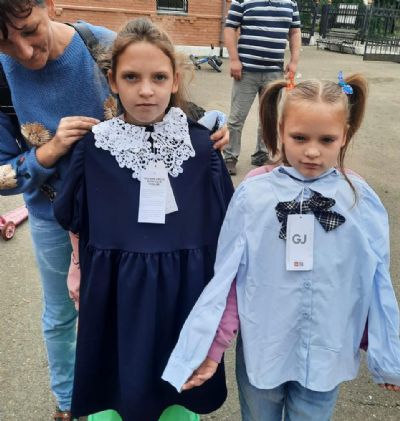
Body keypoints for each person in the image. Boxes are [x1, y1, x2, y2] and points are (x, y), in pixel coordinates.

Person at [0, 2, 229, 420]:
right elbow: (5, 174)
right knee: (63, 316)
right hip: (68, 214)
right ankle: (68, 403)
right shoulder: (3, 78)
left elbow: (167, 89)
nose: (25, 50)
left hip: (156, 242)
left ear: (46, 6)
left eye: (29, 30)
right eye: (4, 42)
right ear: (114, 81)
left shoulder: (103, 44)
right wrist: (51, 151)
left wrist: (210, 126)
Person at [162, 74, 400, 420]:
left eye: (327, 139)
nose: (312, 151)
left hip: (327, 354)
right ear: (280, 131)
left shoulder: (358, 199)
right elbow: (228, 277)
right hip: (264, 351)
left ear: (345, 135)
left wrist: (383, 351)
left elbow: (374, 279)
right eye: (300, 137)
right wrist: (212, 348)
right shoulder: (255, 194)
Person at [223, 0, 301, 175]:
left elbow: (295, 32)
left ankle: (262, 154)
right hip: (246, 71)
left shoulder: (291, 3)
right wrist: (234, 59)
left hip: (274, 73)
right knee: (236, 118)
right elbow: (230, 28)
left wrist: (294, 61)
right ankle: (230, 157)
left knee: (268, 118)